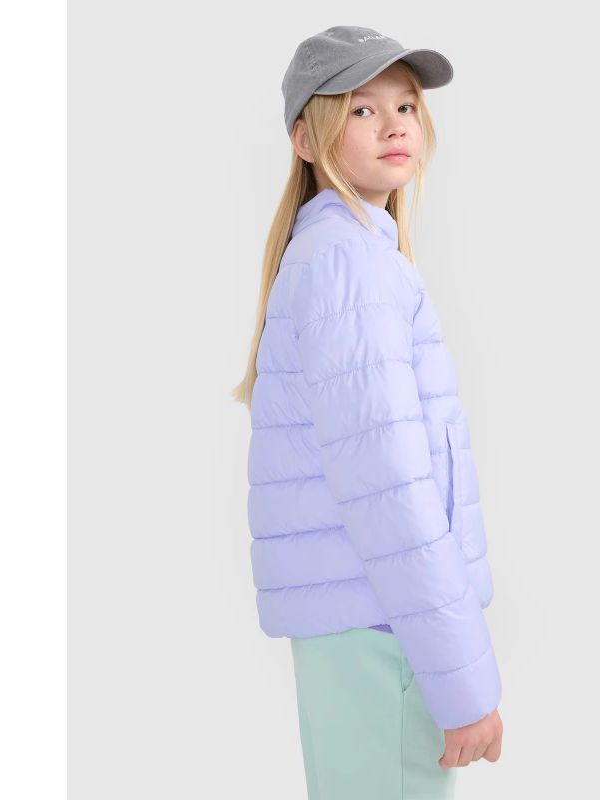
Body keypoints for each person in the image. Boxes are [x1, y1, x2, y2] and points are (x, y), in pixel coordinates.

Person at [232, 25, 504, 800]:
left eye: (406, 106)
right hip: (383, 633)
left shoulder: (350, 256)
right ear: (305, 139)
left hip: (367, 630)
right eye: (360, 109)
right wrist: (463, 684)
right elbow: (391, 488)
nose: (392, 125)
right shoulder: (349, 265)